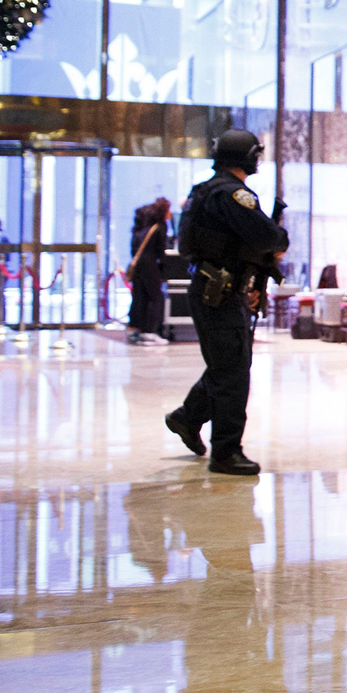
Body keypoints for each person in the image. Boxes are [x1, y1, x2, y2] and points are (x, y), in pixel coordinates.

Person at [165, 129, 287, 478]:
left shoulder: (205, 191)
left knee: (227, 363)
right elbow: (266, 235)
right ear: (246, 157)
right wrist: (279, 240)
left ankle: (187, 418)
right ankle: (226, 451)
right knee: (232, 370)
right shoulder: (232, 194)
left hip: (212, 286)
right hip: (219, 290)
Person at [127, 197, 171, 343]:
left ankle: (136, 329)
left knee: (140, 297)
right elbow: (161, 251)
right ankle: (150, 330)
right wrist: (164, 270)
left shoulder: (140, 229)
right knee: (155, 297)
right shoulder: (159, 227)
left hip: (139, 266)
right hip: (151, 266)